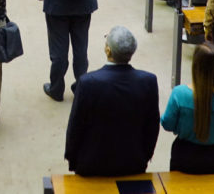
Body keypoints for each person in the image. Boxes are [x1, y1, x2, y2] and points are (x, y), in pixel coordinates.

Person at [64, 26, 159, 177]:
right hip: (132, 163)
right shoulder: (149, 81)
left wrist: (72, 158)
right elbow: (152, 126)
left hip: (91, 165)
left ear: (108, 51)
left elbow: (76, 126)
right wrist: (144, 156)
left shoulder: (88, 83)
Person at [162, 41, 214, 173]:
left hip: (185, 158)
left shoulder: (179, 93)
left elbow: (167, 124)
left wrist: (181, 128)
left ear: (196, 67)